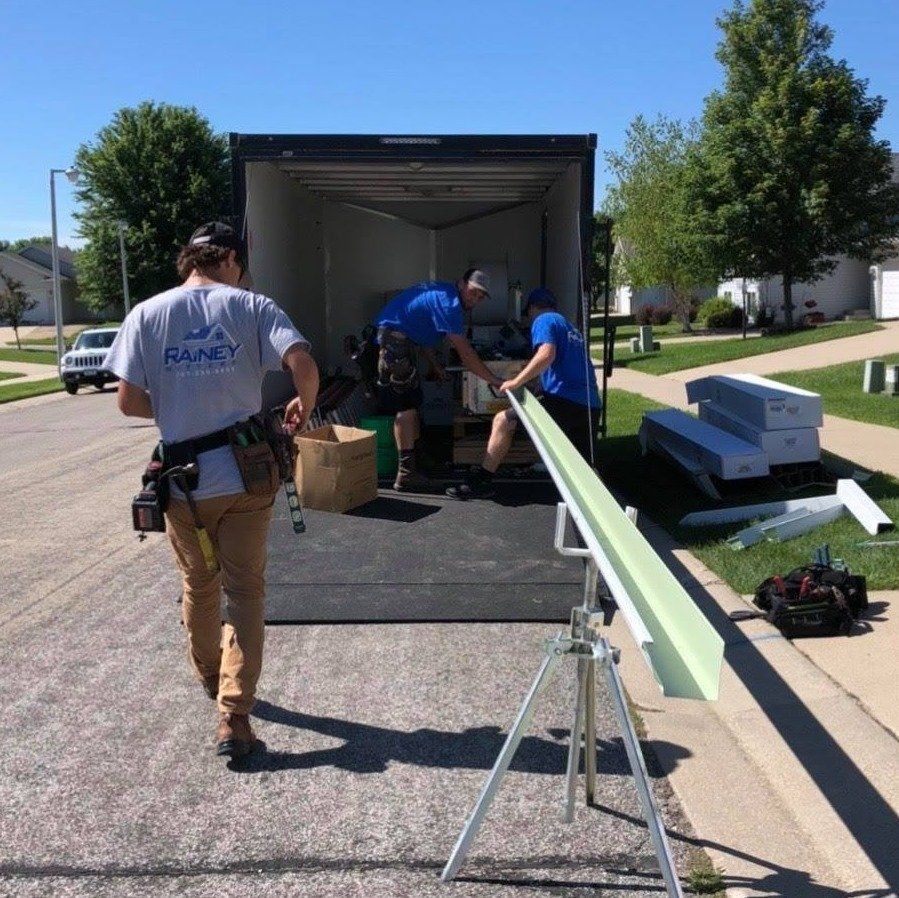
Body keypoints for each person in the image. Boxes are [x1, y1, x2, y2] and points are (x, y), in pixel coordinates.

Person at [105, 221, 319, 760]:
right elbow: (303, 364)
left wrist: (180, 408)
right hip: (246, 477)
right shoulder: (251, 307)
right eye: (239, 266)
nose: (241, 275)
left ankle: (209, 678)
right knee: (245, 591)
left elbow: (128, 401)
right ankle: (234, 715)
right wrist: (304, 405)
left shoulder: (147, 314)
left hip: (182, 486)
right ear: (225, 258)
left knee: (200, 585)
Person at [446, 287, 600, 500]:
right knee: (583, 469)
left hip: (565, 401)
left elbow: (546, 354)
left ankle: (482, 482)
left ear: (532, 309)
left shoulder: (543, 320)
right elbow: (560, 366)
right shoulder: (568, 327)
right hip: (590, 405)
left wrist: (516, 381)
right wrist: (536, 386)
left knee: (503, 420)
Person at [372, 269, 503, 491]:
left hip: (399, 340)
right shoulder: (449, 303)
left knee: (414, 402)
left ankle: (415, 461)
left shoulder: (443, 293)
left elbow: (420, 333)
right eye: (474, 292)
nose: (476, 299)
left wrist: (435, 366)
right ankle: (406, 473)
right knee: (406, 407)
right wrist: (494, 380)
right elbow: (466, 354)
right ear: (462, 284)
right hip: (394, 342)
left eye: (481, 297)